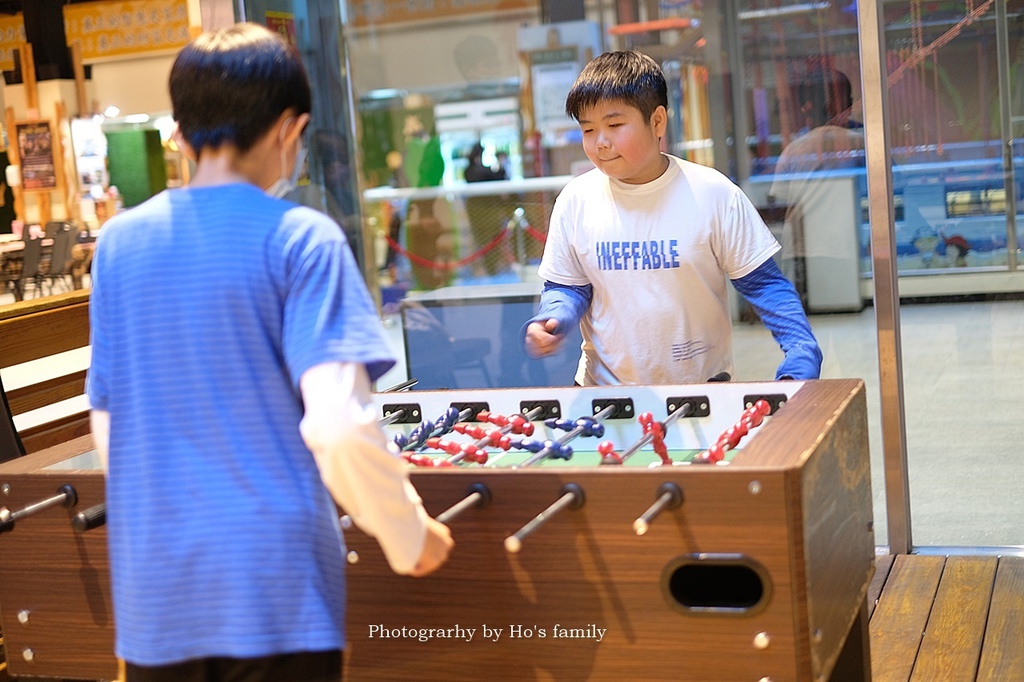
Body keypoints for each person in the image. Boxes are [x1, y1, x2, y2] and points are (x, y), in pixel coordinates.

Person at [85, 23, 453, 682]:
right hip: (275, 590)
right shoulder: (302, 238)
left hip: (155, 594)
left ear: (181, 129)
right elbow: (339, 426)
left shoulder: (118, 243)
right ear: (290, 130)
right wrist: (408, 538)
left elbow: (111, 424)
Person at [524, 50, 822, 386]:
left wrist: (801, 348)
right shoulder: (575, 200)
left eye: (615, 124)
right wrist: (553, 318)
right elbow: (567, 288)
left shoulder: (713, 193)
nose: (601, 143)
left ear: (657, 121)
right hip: (603, 394)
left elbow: (764, 285)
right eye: (588, 129)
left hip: (701, 392)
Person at [769, 67, 865, 299]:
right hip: (846, 248)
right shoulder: (861, 142)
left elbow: (777, 200)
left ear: (808, 107)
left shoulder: (795, 149)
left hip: (804, 251)